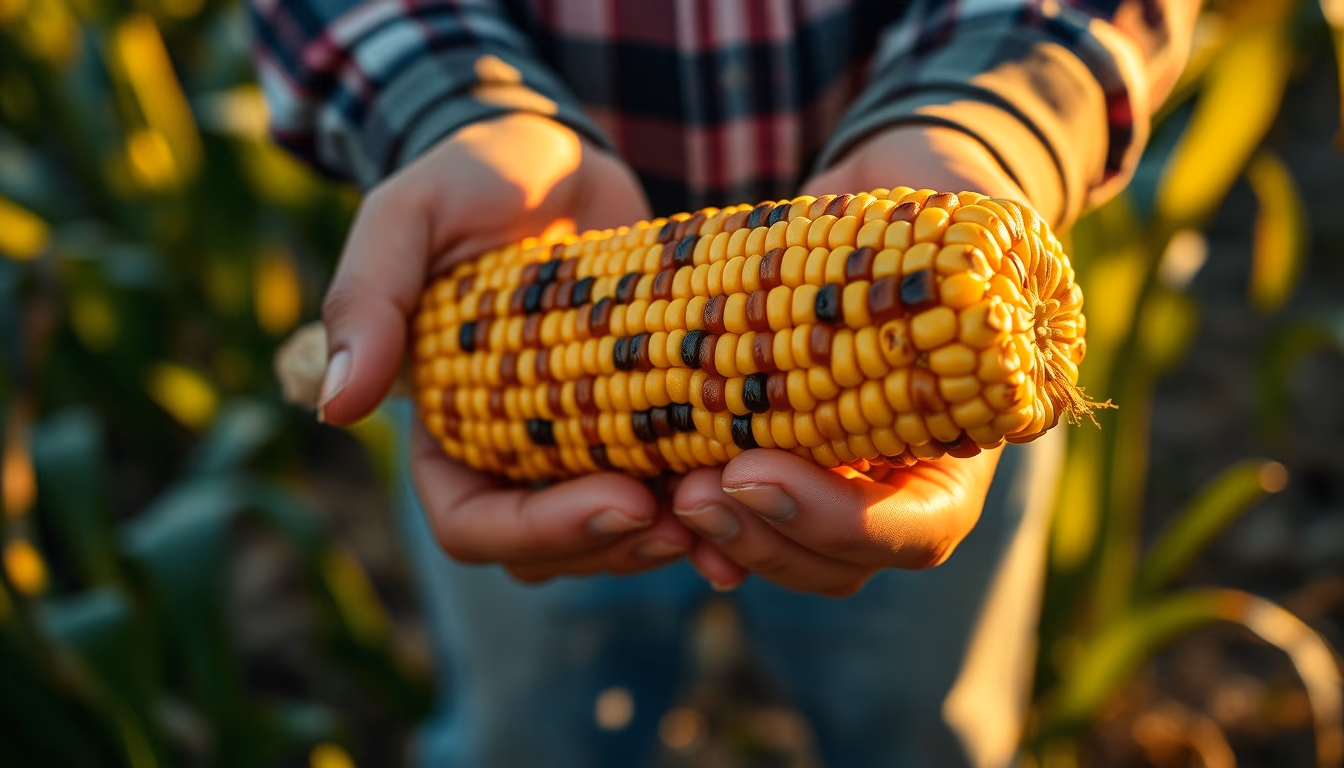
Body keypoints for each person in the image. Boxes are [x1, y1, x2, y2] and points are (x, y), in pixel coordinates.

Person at [250, 1, 1197, 764]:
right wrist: (450, 107)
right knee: (530, 733)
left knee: (918, 726)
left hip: (902, 417)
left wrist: (990, 125)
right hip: (521, 288)